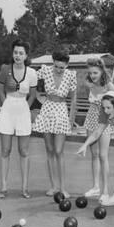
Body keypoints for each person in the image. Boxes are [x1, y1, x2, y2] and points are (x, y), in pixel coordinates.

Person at [0, 39, 38, 199]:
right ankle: (4, 187)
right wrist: (6, 103)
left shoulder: (32, 73)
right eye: (15, 52)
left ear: (26, 55)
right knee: (5, 150)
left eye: (21, 53)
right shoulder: (5, 69)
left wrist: (25, 108)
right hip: (8, 109)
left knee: (24, 151)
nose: (17, 56)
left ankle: (25, 188)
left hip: (23, 109)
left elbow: (33, 95)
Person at [32, 50, 77, 197]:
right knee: (50, 150)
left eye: (62, 67)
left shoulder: (71, 75)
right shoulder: (45, 70)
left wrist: (71, 120)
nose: (58, 70)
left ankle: (63, 188)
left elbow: (74, 99)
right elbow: (32, 82)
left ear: (67, 65)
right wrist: (40, 100)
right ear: (53, 62)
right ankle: (53, 187)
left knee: (59, 150)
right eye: (56, 66)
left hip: (62, 111)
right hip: (47, 110)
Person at [82, 58, 114, 202]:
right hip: (91, 118)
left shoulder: (109, 86)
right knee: (94, 154)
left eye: (95, 72)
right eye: (90, 73)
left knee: (103, 155)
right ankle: (96, 187)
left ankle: (106, 191)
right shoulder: (89, 83)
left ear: (102, 70)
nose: (93, 75)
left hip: (105, 120)